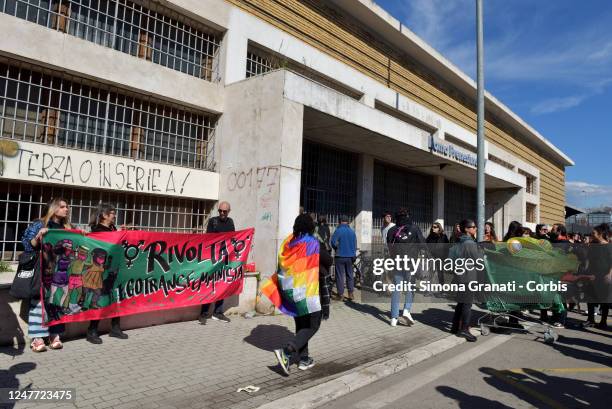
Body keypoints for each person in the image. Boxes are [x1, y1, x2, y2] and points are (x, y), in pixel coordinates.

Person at [273, 214, 327, 374]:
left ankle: (304, 359)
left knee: (302, 325)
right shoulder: (311, 243)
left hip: (291, 292)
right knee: (313, 324)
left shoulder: (288, 243)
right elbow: (327, 260)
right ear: (311, 227)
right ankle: (287, 351)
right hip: (307, 292)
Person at [21, 198, 71, 352]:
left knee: (57, 303)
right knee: (38, 303)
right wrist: (38, 236)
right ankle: (37, 337)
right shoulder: (39, 224)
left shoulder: (67, 227)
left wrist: (80, 235)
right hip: (41, 272)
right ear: (54, 208)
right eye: (62, 207)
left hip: (60, 272)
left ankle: (54, 335)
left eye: (67, 207)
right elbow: (27, 245)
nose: (66, 209)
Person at [86, 204, 128, 344]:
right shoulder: (97, 230)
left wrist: (122, 234)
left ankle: (115, 327)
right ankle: (92, 330)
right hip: (101, 273)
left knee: (115, 299)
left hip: (114, 271)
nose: (114, 216)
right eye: (112, 213)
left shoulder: (112, 229)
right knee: (99, 300)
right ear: (104, 215)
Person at [386, 208, 426, 326]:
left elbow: (389, 246)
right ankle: (406, 310)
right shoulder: (414, 228)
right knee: (410, 287)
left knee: (397, 289)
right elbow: (422, 244)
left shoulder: (392, 230)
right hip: (411, 263)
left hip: (397, 263)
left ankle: (393, 318)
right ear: (408, 216)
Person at [199, 201, 235, 325]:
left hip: (224, 260)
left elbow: (232, 238)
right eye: (220, 211)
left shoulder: (230, 222)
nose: (222, 213)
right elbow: (208, 239)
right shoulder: (213, 221)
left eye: (224, 211)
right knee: (209, 285)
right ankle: (204, 312)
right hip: (212, 260)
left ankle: (218, 312)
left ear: (228, 212)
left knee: (221, 286)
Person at [450, 219, 482, 342]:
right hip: (468, 277)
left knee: (461, 302)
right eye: (473, 227)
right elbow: (478, 259)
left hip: (459, 276)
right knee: (467, 304)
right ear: (467, 229)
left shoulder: (459, 242)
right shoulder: (470, 243)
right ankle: (464, 329)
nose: (475, 229)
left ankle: (454, 326)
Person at [583, 224, 611, 329]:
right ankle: (590, 320)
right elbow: (588, 260)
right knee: (590, 298)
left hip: (604, 276)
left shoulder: (608, 246)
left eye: (593, 233)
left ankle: (603, 322)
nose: (592, 234)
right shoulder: (593, 245)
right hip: (592, 275)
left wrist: (609, 275)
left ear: (600, 234)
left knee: (604, 300)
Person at [330, 215, 357, 301]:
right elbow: (355, 244)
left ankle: (340, 295)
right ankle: (351, 294)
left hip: (340, 256)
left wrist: (337, 248)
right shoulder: (352, 232)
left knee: (340, 276)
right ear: (347, 221)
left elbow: (333, 242)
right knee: (350, 275)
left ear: (340, 221)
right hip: (350, 257)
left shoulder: (338, 231)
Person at [426, 220, 449, 286]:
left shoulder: (443, 237)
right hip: (431, 257)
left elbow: (447, 248)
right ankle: (429, 289)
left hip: (440, 258)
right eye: (432, 227)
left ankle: (441, 288)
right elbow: (426, 245)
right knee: (430, 273)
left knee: (440, 273)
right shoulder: (430, 237)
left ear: (439, 228)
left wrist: (445, 257)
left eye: (435, 227)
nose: (433, 228)